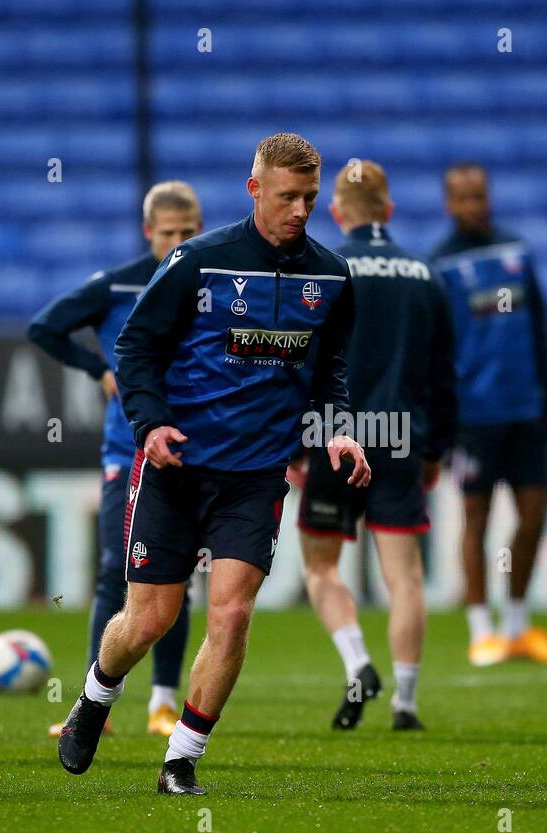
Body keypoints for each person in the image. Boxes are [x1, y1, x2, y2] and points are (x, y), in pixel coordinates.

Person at [54, 133, 371, 795]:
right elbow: (135, 346)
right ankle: (95, 697)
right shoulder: (198, 262)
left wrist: (341, 431)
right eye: (286, 197)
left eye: (309, 198)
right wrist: (151, 423)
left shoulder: (331, 275)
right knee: (149, 619)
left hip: (256, 476)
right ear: (254, 190)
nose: (299, 210)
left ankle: (181, 759)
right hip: (177, 468)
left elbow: (332, 372)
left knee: (230, 614)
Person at [28, 181, 202, 737]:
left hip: (191, 446)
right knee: (114, 569)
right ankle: (93, 708)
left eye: (189, 231)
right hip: (125, 448)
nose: (180, 240)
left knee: (177, 576)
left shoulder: (216, 279)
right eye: (170, 232)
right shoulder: (119, 282)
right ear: (149, 232)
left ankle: (162, 701)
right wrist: (99, 369)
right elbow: (45, 326)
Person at [295, 159, 457, 731]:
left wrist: (298, 443)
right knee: (404, 575)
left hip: (332, 438)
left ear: (336, 212)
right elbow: (445, 374)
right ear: (389, 210)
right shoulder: (425, 274)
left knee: (320, 565)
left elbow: (303, 361)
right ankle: (407, 703)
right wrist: (435, 448)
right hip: (401, 435)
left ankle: (358, 661)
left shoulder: (324, 272)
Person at [431, 163, 547, 666]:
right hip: (474, 414)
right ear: (449, 204)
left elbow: (537, 326)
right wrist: (442, 415)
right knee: (476, 516)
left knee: (534, 513)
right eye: (463, 198)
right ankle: (479, 629)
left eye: (479, 196)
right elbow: (436, 347)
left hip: (525, 407)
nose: (474, 205)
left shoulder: (516, 250)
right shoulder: (440, 265)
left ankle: (517, 625)